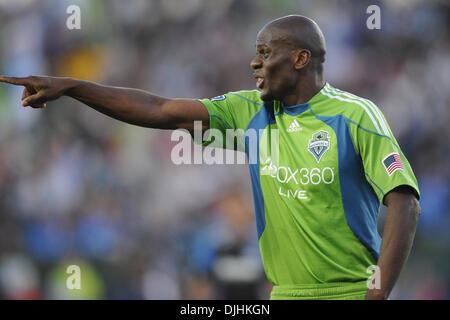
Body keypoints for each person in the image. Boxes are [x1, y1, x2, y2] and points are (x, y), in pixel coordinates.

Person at [0, 15, 421, 300]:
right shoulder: (249, 110)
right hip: (283, 295)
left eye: (265, 52)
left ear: (300, 59)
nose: (254, 62)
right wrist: (73, 87)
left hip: (350, 292)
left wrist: (378, 290)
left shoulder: (355, 115)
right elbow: (159, 110)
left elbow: (404, 201)